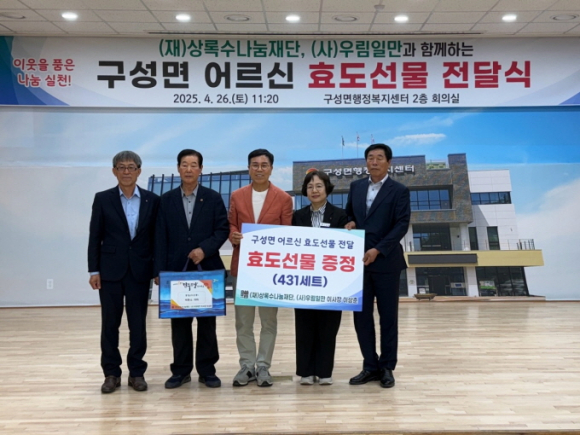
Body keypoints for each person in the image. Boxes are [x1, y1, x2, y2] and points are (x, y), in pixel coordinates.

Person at [154, 149, 229, 389]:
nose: (189, 169)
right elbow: (159, 237)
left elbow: (222, 229)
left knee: (207, 324)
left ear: (200, 169)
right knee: (180, 324)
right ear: (178, 168)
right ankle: (181, 371)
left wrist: (204, 249)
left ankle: (207, 371)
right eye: (184, 164)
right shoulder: (166, 200)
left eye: (193, 165)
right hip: (176, 271)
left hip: (206, 268)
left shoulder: (213, 198)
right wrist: (159, 271)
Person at [88, 150, 160, 394]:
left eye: (131, 167)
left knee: (138, 324)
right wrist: (94, 270)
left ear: (139, 171)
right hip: (109, 271)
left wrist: (157, 269)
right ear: (114, 171)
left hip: (140, 270)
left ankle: (137, 372)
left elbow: (157, 238)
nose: (126, 171)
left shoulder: (152, 200)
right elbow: (94, 236)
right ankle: (111, 373)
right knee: (110, 324)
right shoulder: (103, 198)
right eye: (121, 167)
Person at [345, 143, 410, 389]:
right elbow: (350, 214)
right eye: (370, 157)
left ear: (388, 162)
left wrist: (378, 249)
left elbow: (401, 224)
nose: (374, 161)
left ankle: (387, 367)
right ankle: (370, 366)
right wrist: (350, 222)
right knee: (361, 318)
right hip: (358, 262)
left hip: (386, 262)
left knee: (388, 318)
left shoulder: (399, 190)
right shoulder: (356, 186)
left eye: (379, 158)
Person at [228, 149, 293, 387]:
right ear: (249, 168)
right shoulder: (237, 196)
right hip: (243, 267)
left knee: (268, 321)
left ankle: (263, 365)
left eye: (264, 165)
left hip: (269, 271)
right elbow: (231, 224)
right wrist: (233, 235)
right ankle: (247, 366)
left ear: (271, 169)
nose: (259, 169)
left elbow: (287, 233)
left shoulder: (284, 198)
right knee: (243, 322)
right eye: (254, 165)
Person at [292, 170, 347, 386]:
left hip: (331, 282)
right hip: (304, 281)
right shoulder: (297, 216)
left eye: (318, 186)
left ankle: (324, 372)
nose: (314, 190)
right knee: (304, 327)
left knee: (328, 328)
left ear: (327, 189)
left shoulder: (341, 215)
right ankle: (306, 371)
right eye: (310, 187)